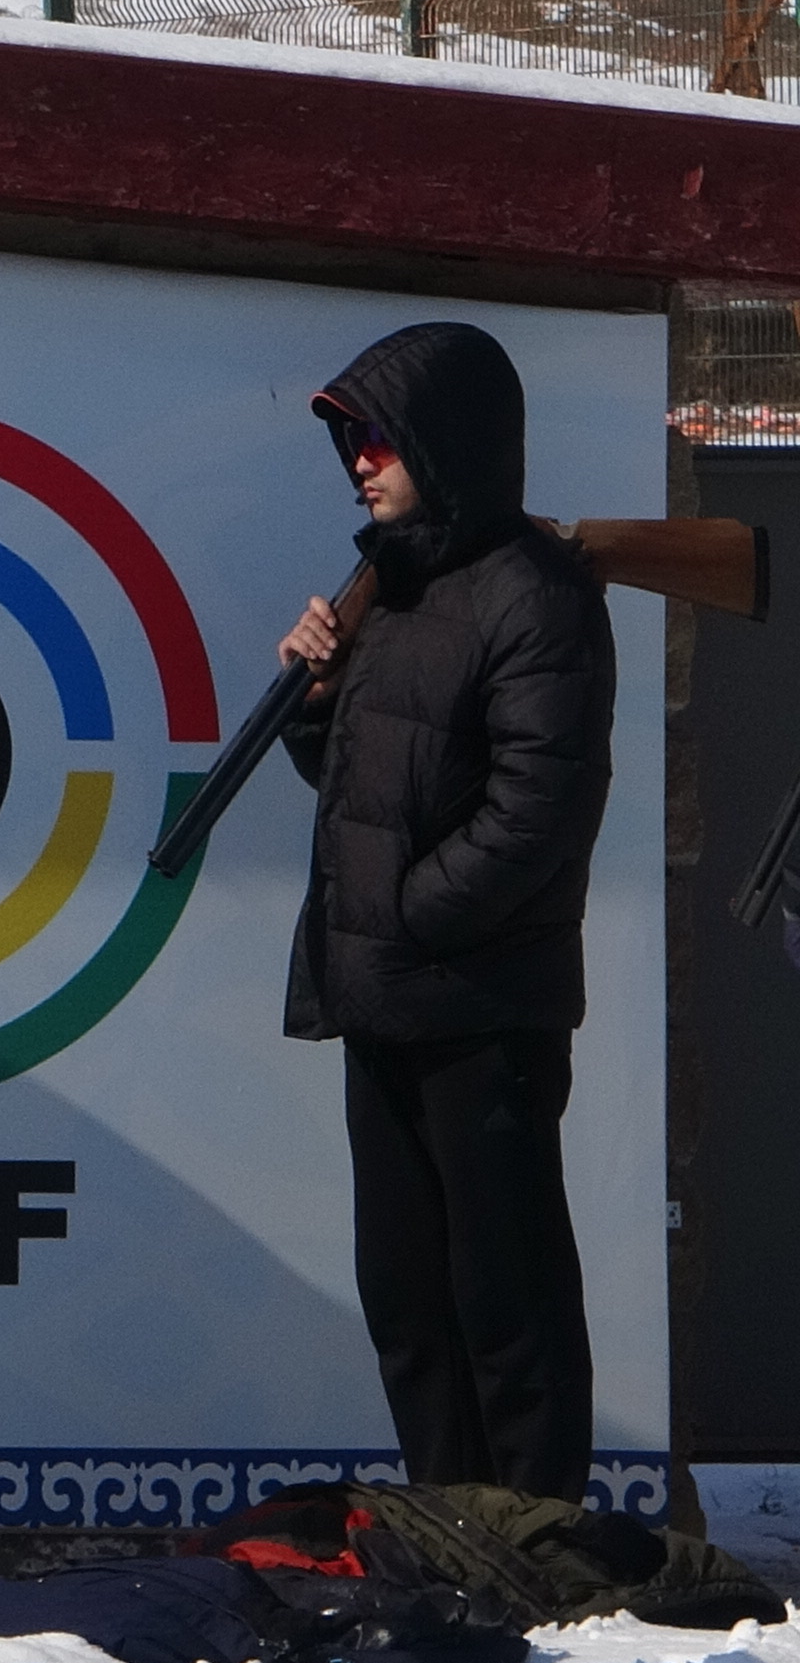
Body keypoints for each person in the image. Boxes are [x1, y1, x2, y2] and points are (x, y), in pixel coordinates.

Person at [274, 321, 609, 1503]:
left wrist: (411, 915)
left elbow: (540, 814)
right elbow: (365, 787)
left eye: (377, 435)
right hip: (386, 999)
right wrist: (315, 696)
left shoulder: (536, 594)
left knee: (504, 1298)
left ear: (444, 436)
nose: (359, 460)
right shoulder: (395, 586)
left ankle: (533, 1537)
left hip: (480, 1008)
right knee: (409, 1300)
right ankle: (452, 1528)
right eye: (348, 441)